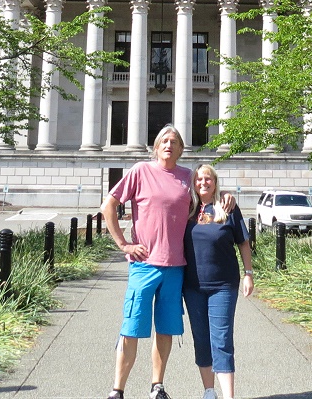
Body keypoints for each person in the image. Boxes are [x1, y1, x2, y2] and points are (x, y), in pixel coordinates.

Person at [101, 126, 235, 399]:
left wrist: (226, 195)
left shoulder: (187, 177)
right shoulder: (140, 170)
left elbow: (207, 190)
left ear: (181, 149)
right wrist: (123, 244)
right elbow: (108, 206)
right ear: (155, 146)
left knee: (165, 330)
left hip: (176, 267)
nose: (169, 145)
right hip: (144, 265)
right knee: (131, 329)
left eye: (174, 142)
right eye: (164, 141)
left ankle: (157, 386)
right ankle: (117, 390)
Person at [182, 164, 253, 399]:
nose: (203, 183)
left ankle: (229, 396)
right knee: (201, 339)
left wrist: (248, 274)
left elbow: (243, 242)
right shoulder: (187, 209)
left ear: (215, 182)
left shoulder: (227, 207)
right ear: (193, 183)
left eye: (208, 179)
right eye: (199, 179)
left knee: (221, 339)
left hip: (223, 286)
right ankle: (209, 391)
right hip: (192, 287)